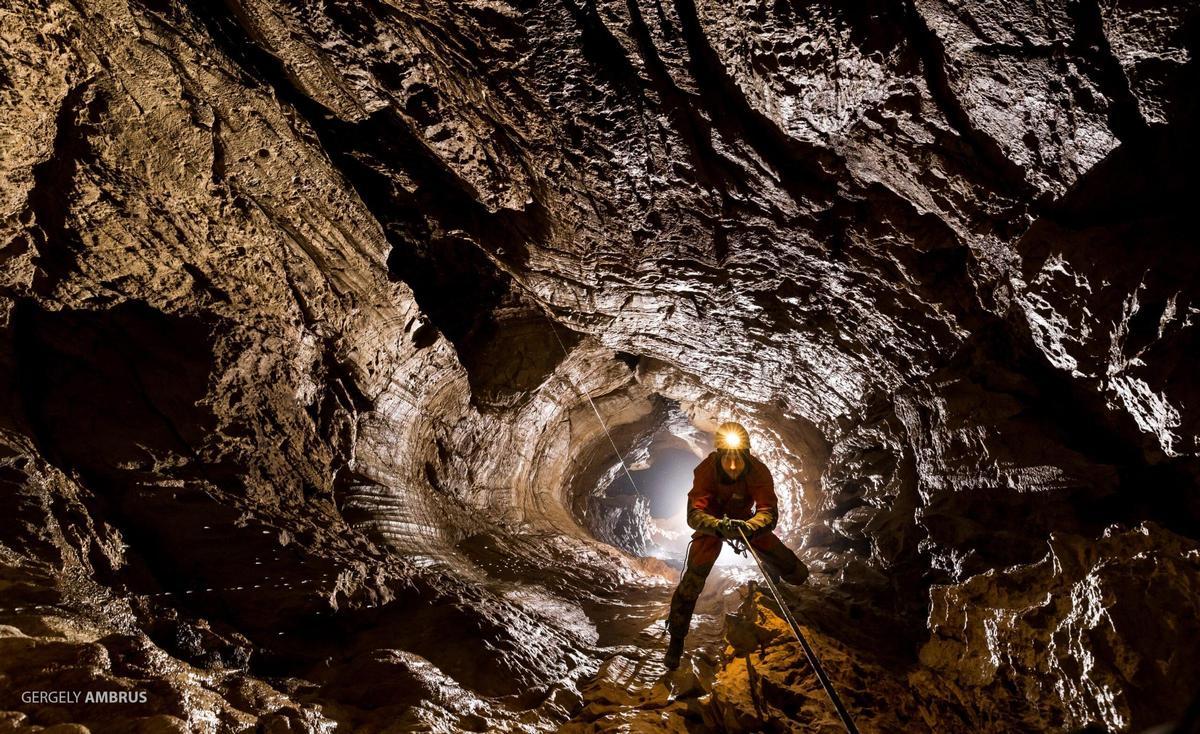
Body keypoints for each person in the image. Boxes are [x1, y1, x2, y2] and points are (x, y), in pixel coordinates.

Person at [663, 421, 809, 670]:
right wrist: (718, 525)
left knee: (798, 574)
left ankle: (775, 570)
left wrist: (751, 526)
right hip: (712, 527)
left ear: (747, 456)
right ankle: (677, 639)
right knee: (692, 582)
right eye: (727, 459)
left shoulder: (758, 471)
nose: (732, 466)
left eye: (737, 459)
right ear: (718, 455)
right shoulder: (707, 470)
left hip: (746, 523)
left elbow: (768, 512)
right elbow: (694, 514)